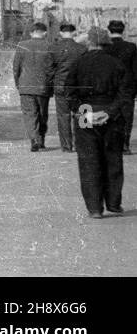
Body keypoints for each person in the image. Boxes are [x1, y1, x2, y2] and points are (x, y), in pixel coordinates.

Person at [65, 26, 133, 218]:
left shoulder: (78, 64)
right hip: (111, 116)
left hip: (85, 112)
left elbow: (69, 92)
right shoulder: (117, 64)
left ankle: (94, 208)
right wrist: (109, 113)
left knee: (89, 161)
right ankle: (113, 203)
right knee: (113, 159)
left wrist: (82, 112)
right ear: (106, 42)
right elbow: (125, 92)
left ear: (89, 42)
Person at [13, 22, 57, 152]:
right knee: (42, 114)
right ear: (45, 33)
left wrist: (18, 84)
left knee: (29, 114)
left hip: (25, 87)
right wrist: (51, 85)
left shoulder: (21, 45)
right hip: (43, 87)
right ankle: (41, 139)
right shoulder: (50, 46)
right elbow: (52, 69)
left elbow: (16, 68)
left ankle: (34, 139)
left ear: (31, 33)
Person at [51, 24, 87, 152]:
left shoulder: (54, 48)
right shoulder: (82, 49)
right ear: (74, 32)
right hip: (78, 87)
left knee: (63, 116)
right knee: (81, 113)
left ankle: (66, 146)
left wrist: (52, 85)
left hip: (60, 86)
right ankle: (82, 144)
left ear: (61, 33)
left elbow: (50, 69)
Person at [105, 20, 137, 154]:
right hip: (127, 87)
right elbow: (136, 70)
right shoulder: (131, 47)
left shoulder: (105, 47)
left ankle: (111, 144)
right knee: (126, 117)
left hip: (108, 87)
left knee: (110, 115)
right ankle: (124, 144)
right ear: (123, 30)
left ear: (109, 30)